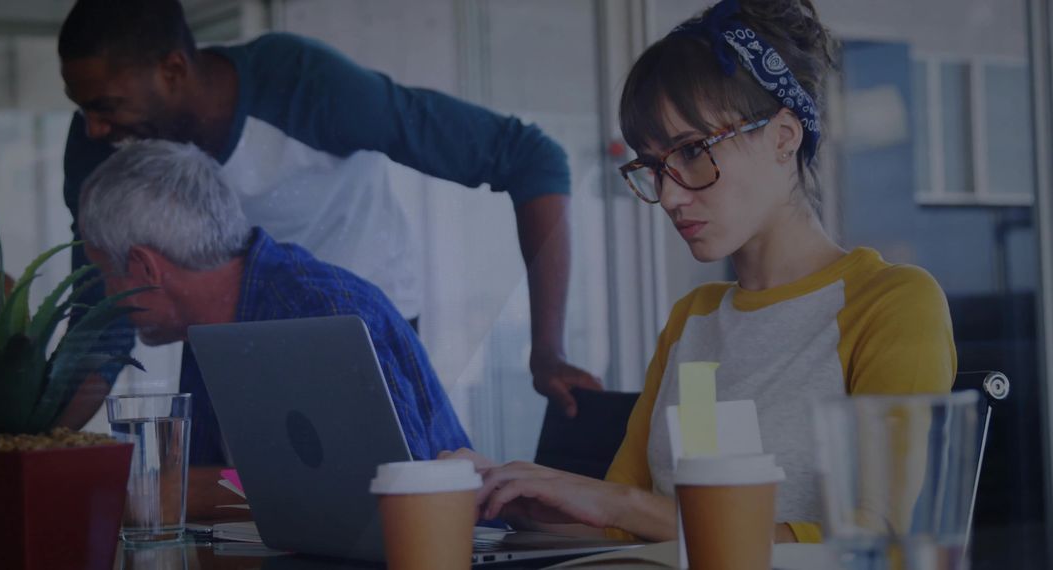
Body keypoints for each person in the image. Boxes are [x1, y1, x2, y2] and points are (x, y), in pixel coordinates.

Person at [447, 0, 956, 544]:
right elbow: (621, 528)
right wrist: (517, 493)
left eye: (691, 151)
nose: (668, 196)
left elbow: (874, 544)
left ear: (784, 136)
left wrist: (620, 504)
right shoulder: (693, 318)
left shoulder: (892, 302)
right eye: (653, 166)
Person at [57, 0, 601, 423]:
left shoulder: (304, 86)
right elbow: (102, 315)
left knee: (363, 505)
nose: (94, 128)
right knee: (225, 506)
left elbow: (530, 159)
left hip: (361, 335)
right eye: (82, 108)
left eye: (106, 105)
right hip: (224, 343)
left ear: (173, 69)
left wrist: (546, 352)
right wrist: (36, 443)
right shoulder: (99, 149)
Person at [78, 140, 471, 519]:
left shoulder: (322, 313)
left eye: (106, 275)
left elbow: (394, 493)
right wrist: (189, 491)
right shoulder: (204, 330)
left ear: (145, 267)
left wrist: (194, 492)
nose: (109, 297)